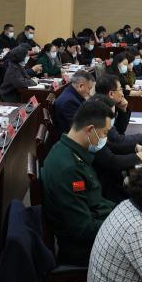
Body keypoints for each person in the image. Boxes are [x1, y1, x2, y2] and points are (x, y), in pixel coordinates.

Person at [41, 97, 116, 266]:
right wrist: (122, 225)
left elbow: (93, 201)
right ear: (90, 130)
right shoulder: (70, 169)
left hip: (96, 221)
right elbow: (83, 229)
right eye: (104, 133)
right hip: (83, 248)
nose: (105, 139)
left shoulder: (65, 148)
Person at [97, 74, 142, 151]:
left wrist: (123, 110)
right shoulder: (100, 110)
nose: (123, 93)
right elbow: (117, 140)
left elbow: (119, 131)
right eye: (120, 89)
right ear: (111, 94)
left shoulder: (112, 104)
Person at [53, 70, 95, 135]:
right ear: (81, 86)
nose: (89, 92)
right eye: (89, 88)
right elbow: (78, 128)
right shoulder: (69, 102)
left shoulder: (71, 92)